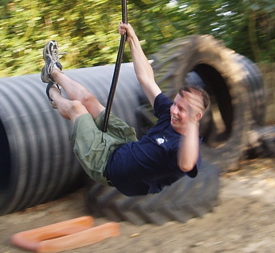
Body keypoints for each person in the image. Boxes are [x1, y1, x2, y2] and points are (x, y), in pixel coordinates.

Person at [41, 22, 210, 197]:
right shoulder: (169, 113)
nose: (173, 111)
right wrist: (133, 39)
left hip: (106, 166)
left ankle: (53, 93)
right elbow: (146, 79)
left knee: (76, 108)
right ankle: (52, 71)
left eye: (182, 110)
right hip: (124, 144)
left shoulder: (187, 147)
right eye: (175, 103)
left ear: (195, 116)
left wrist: (191, 123)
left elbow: (186, 165)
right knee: (88, 100)